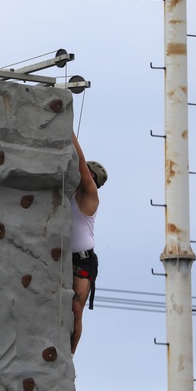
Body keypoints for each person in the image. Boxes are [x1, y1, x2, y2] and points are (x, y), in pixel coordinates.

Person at [70, 132, 107, 353]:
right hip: (68, 257)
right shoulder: (70, 191)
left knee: (76, 309)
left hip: (83, 262)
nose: (84, 176)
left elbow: (81, 163)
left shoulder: (89, 193)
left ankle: (70, 355)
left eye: (89, 175)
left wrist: (70, 132)